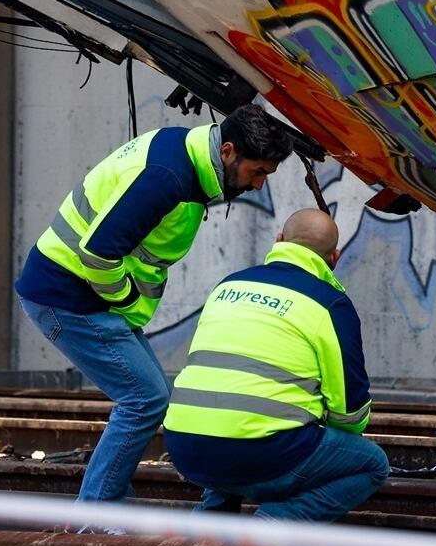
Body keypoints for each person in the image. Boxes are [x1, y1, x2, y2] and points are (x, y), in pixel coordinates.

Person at [17, 103, 294, 503]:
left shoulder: (188, 156)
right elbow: (96, 253)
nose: (258, 186)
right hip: (68, 295)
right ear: (229, 151)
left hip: (79, 293)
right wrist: (127, 298)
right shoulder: (167, 177)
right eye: (258, 173)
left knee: (150, 397)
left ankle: (109, 505)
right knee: (144, 399)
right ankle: (95, 518)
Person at [162, 208, 388, 523]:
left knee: (234, 420)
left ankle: (212, 518)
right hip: (261, 454)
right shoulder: (330, 304)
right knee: (373, 464)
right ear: (333, 258)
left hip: (183, 445)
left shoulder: (227, 286)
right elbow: (349, 413)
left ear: (279, 240)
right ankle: (275, 523)